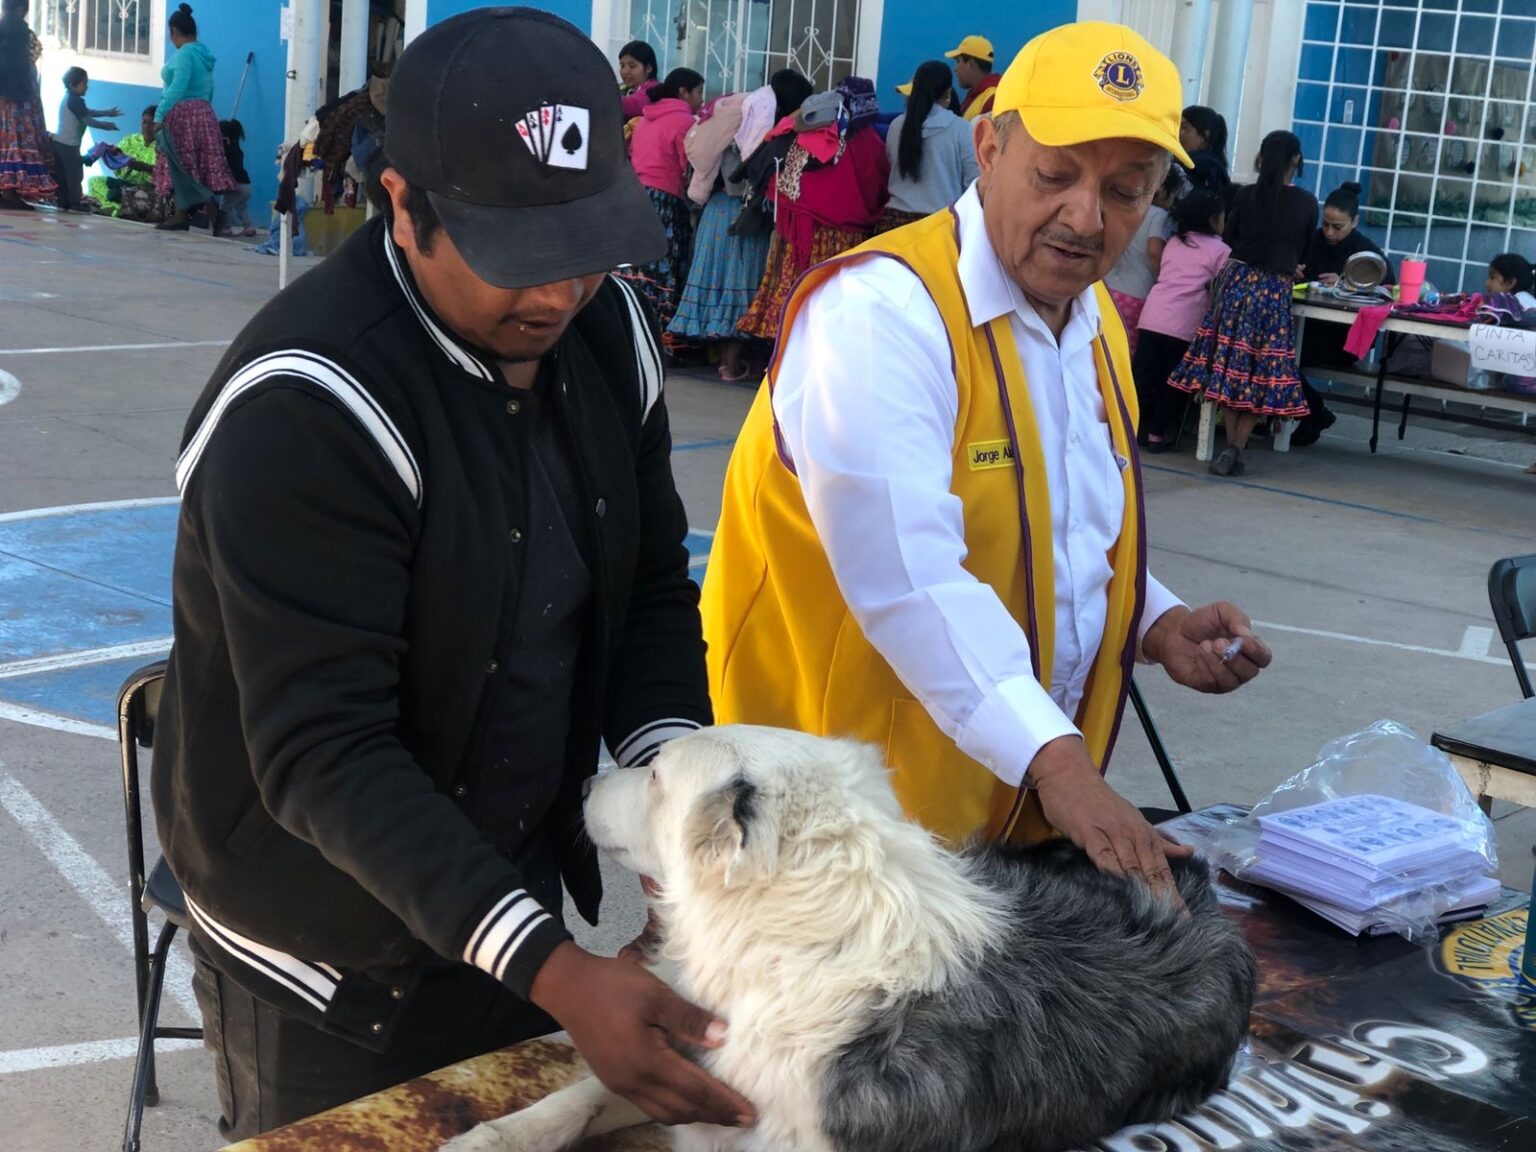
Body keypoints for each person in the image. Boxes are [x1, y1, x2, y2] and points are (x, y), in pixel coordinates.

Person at [152, 10, 754, 1140]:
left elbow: (647, 590)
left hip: (504, 899)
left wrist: (677, 812)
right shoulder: (307, 406)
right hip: (325, 956)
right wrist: (559, 971)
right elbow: (326, 753)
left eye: (585, 245)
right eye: (515, 257)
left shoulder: (607, 332)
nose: (558, 294)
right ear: (401, 204)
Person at [702, 23, 1270, 888]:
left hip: (991, 836)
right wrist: (1061, 765)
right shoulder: (883, 314)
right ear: (990, 150)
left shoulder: (1092, 323)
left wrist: (1152, 619)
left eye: (1126, 191)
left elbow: (1066, 522)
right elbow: (910, 578)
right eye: (1055, 176)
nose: (1086, 218)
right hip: (828, 834)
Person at [1168, 130, 1316, 477]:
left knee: (1231, 367)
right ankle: (1236, 446)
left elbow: (1230, 238)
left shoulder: (1245, 195)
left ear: (1261, 158)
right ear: (1296, 160)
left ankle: (1232, 449)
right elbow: (1305, 250)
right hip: (1273, 291)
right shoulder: (1306, 203)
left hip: (1237, 285)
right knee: (1258, 371)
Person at [737, 76, 890, 343]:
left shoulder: (808, 131)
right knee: (832, 306)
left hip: (798, 232)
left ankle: (785, 354)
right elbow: (878, 188)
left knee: (796, 298)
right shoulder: (871, 142)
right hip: (844, 241)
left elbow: (782, 179)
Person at [1293, 180, 1394, 446]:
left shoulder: (1366, 253)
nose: (1329, 232)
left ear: (1355, 222)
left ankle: (1313, 412)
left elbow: (1388, 290)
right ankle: (1310, 413)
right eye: (1325, 224)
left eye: (1337, 227)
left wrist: (1345, 283)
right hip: (1308, 327)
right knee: (1278, 353)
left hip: (1344, 338)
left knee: (1283, 357)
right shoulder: (1311, 240)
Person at [1133, 188, 1229, 452]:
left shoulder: (1175, 242)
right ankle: (1157, 435)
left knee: (1143, 377)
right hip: (1184, 324)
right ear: (1213, 219)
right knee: (1171, 382)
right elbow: (1219, 287)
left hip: (1153, 316)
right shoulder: (1221, 251)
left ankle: (1131, 429)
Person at [625, 66, 704, 340]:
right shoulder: (684, 122)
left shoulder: (646, 119)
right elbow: (689, 166)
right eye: (698, 92)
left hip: (637, 198)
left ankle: (631, 326)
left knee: (637, 267)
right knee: (665, 264)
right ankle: (659, 334)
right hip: (666, 201)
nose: (701, 99)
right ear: (683, 92)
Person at [153, 3, 235, 231]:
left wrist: (160, 114)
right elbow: (209, 87)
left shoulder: (184, 55)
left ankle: (189, 213)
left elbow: (177, 87)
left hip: (183, 114)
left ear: (173, 31)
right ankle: (208, 215)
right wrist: (205, 109)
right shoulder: (203, 53)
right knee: (196, 166)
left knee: (179, 165)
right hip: (203, 112)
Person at [877, 59, 978, 233]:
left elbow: (890, 163)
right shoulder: (961, 129)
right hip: (938, 227)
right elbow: (973, 182)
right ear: (948, 92)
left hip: (893, 225)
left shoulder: (896, 126)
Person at [1103, 164, 1182, 355]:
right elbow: (1154, 250)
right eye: (1173, 195)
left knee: (1105, 346)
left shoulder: (1126, 209)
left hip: (1108, 289)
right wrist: (1162, 278)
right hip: (1137, 293)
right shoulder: (1159, 215)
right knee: (1126, 352)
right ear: (1162, 190)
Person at [0, 0, 56, 209]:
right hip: (22, 100)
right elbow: (34, 55)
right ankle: (11, 192)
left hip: (2, 99)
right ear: (22, 9)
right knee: (20, 141)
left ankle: (5, 190)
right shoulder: (27, 36)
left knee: (5, 142)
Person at [51, 66, 120, 211]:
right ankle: (75, 203)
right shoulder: (75, 101)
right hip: (69, 145)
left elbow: (87, 112)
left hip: (59, 143)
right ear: (72, 85)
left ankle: (63, 201)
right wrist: (107, 126)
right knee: (75, 175)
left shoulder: (70, 98)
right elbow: (87, 120)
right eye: (84, 84)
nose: (87, 87)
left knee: (63, 175)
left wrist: (107, 113)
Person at [85, 105, 164, 220]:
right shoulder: (130, 140)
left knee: (141, 197)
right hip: (123, 184)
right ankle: (115, 207)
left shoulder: (162, 147)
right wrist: (115, 156)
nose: (146, 127)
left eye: (151, 123)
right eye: (144, 122)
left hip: (144, 189)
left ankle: (112, 206)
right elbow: (117, 168)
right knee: (94, 181)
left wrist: (144, 167)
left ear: (159, 125)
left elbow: (164, 174)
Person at [945, 34, 1002, 121]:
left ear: (971, 64)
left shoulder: (991, 98)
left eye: (958, 61)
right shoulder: (977, 94)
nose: (955, 69)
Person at [217, 118, 256, 236]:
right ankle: (248, 227)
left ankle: (225, 228)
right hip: (246, 185)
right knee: (241, 206)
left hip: (235, 184)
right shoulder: (236, 147)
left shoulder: (227, 148)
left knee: (225, 206)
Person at [1179, 105, 1229, 197]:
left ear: (1204, 136)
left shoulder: (1202, 166)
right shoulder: (1216, 166)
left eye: (1184, 128)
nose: (1179, 133)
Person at [618, 39, 659, 120]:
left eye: (632, 66)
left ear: (648, 68)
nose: (625, 71)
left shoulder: (654, 90)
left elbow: (634, 105)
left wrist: (607, 97)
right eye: (622, 66)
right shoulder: (626, 88)